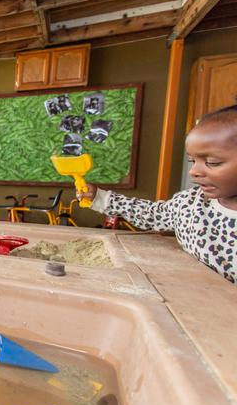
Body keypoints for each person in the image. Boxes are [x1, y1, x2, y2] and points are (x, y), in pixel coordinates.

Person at [78, 103, 237, 284]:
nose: (194, 171)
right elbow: (153, 214)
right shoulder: (190, 203)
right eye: (192, 160)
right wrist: (101, 198)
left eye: (212, 162)